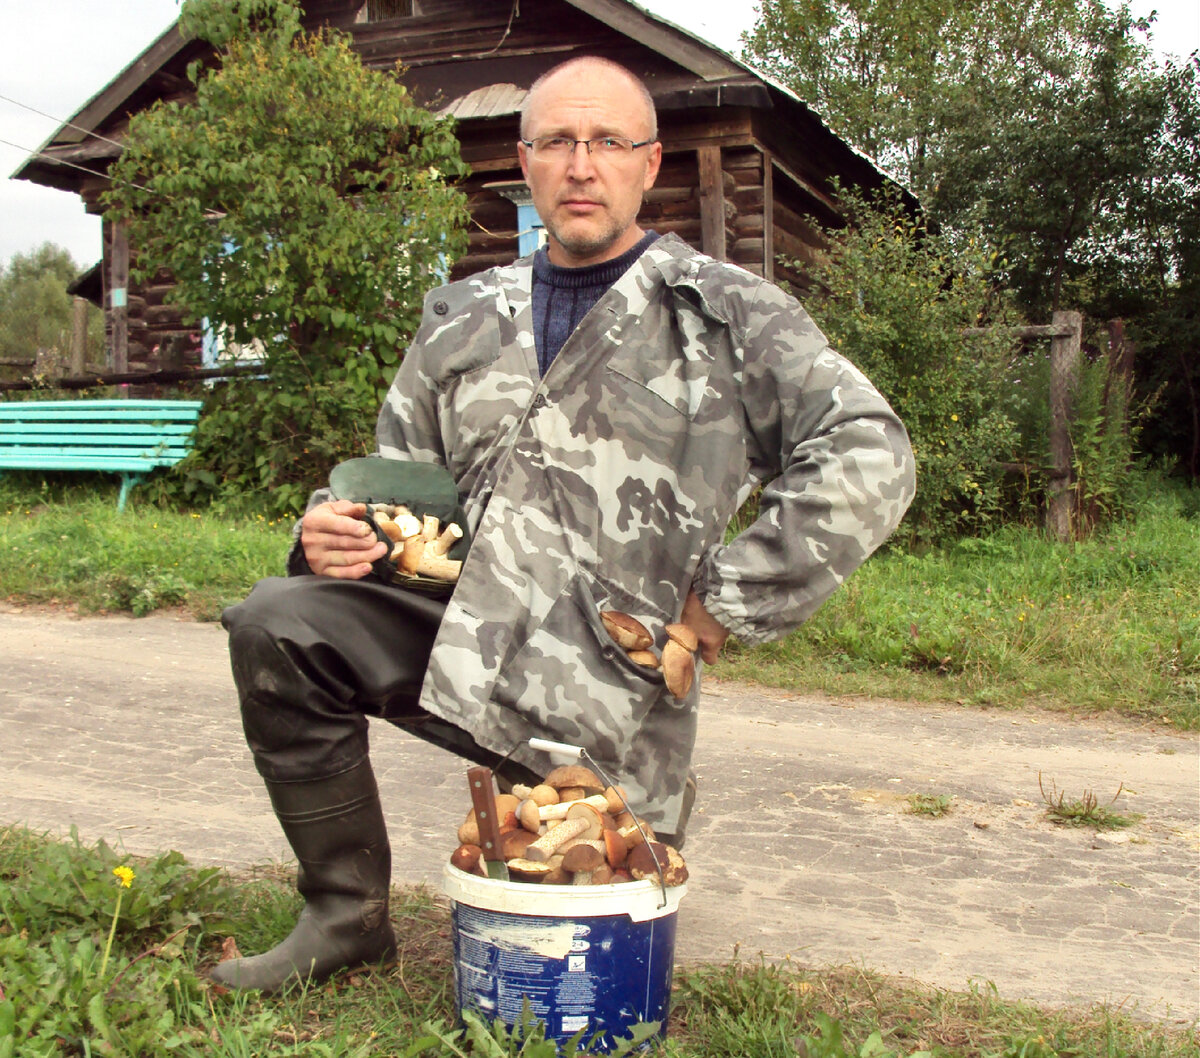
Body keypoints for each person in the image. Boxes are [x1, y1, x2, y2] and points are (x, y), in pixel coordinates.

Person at [214, 55, 916, 993]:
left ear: (649, 163)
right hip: (457, 636)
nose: (582, 166)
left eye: (608, 143)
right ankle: (345, 918)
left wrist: (723, 605)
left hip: (609, 682)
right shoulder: (464, 317)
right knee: (277, 619)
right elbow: (399, 489)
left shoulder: (728, 316)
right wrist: (329, 536)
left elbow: (871, 452)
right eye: (558, 143)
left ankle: (618, 815)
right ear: (527, 162)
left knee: (571, 907)